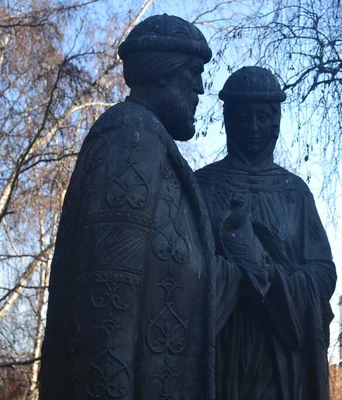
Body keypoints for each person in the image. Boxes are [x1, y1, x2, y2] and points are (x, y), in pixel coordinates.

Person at [39, 15, 267, 400]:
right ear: (164, 73)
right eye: (194, 72)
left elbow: (172, 280)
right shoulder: (128, 140)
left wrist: (238, 254)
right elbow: (107, 302)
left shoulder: (155, 147)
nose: (200, 87)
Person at [195, 66, 337, 400]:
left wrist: (274, 278)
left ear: (277, 121)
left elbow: (323, 271)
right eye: (244, 117)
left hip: (282, 350)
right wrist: (234, 272)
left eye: (263, 117)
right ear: (228, 120)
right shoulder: (201, 186)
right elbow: (182, 267)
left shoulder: (294, 192)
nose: (254, 128)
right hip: (224, 344)